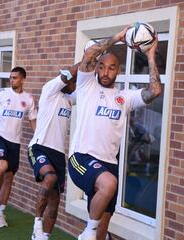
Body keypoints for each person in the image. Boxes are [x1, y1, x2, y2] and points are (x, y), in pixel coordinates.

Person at [68, 27, 161, 240]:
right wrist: (118, 37)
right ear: (96, 68)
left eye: (111, 68)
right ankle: (87, 233)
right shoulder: (86, 86)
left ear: (117, 71)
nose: (105, 72)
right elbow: (89, 54)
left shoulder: (124, 97)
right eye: (102, 67)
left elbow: (154, 91)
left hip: (109, 163)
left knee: (103, 227)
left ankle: (94, 233)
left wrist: (150, 54)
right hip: (81, 158)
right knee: (108, 184)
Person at [28, 64, 78, 240]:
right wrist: (89, 57)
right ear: (67, 80)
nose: (76, 84)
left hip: (58, 154)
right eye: (74, 80)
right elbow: (68, 75)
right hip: (39, 147)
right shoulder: (49, 90)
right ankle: (36, 224)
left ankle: (43, 237)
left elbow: (89, 93)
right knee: (49, 178)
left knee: (55, 201)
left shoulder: (70, 99)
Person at [0, 67, 37, 228]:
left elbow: (32, 120)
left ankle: (1, 213)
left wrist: (39, 138)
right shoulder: (2, 93)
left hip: (15, 142)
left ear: (23, 79)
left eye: (15, 77)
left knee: (9, 178)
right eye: (10, 77)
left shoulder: (28, 99)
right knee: (2, 166)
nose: (12, 80)